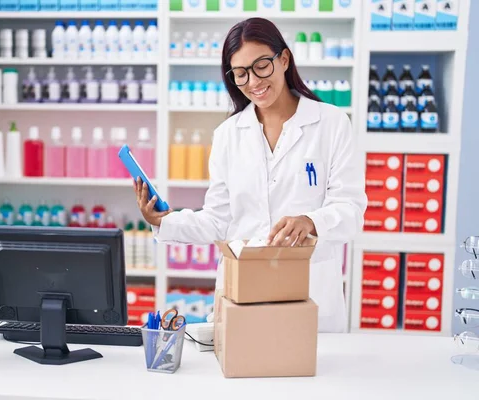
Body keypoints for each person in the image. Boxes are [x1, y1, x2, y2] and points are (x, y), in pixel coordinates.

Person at [133, 17, 367, 333]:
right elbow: (218, 220)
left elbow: (351, 210)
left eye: (261, 66)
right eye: (241, 73)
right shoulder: (228, 135)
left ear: (283, 59)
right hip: (242, 292)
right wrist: (163, 220)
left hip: (309, 291)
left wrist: (311, 221)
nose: (253, 81)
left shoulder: (332, 123)